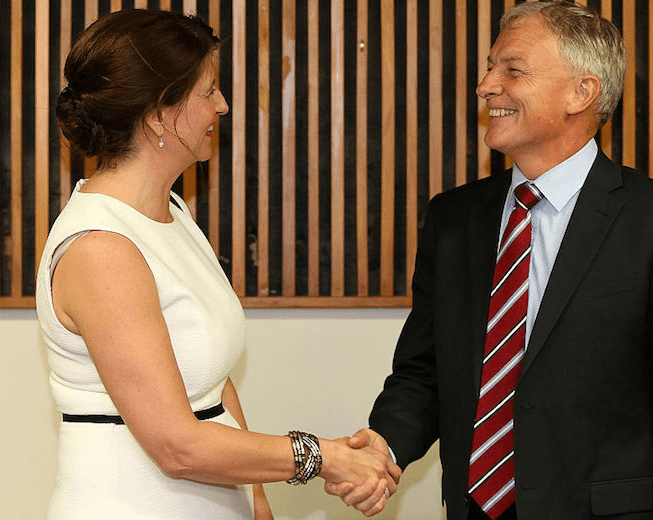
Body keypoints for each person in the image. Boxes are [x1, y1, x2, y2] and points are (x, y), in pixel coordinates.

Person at [328, 2, 653, 519]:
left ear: (581, 92)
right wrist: (383, 449)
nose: (485, 86)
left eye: (512, 70)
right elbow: (425, 372)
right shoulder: (454, 219)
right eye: (488, 67)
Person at [36, 9, 400, 520]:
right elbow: (176, 446)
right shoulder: (102, 248)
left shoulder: (172, 212)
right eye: (209, 91)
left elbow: (210, 380)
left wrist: (257, 498)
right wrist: (320, 456)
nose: (222, 106)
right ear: (159, 112)